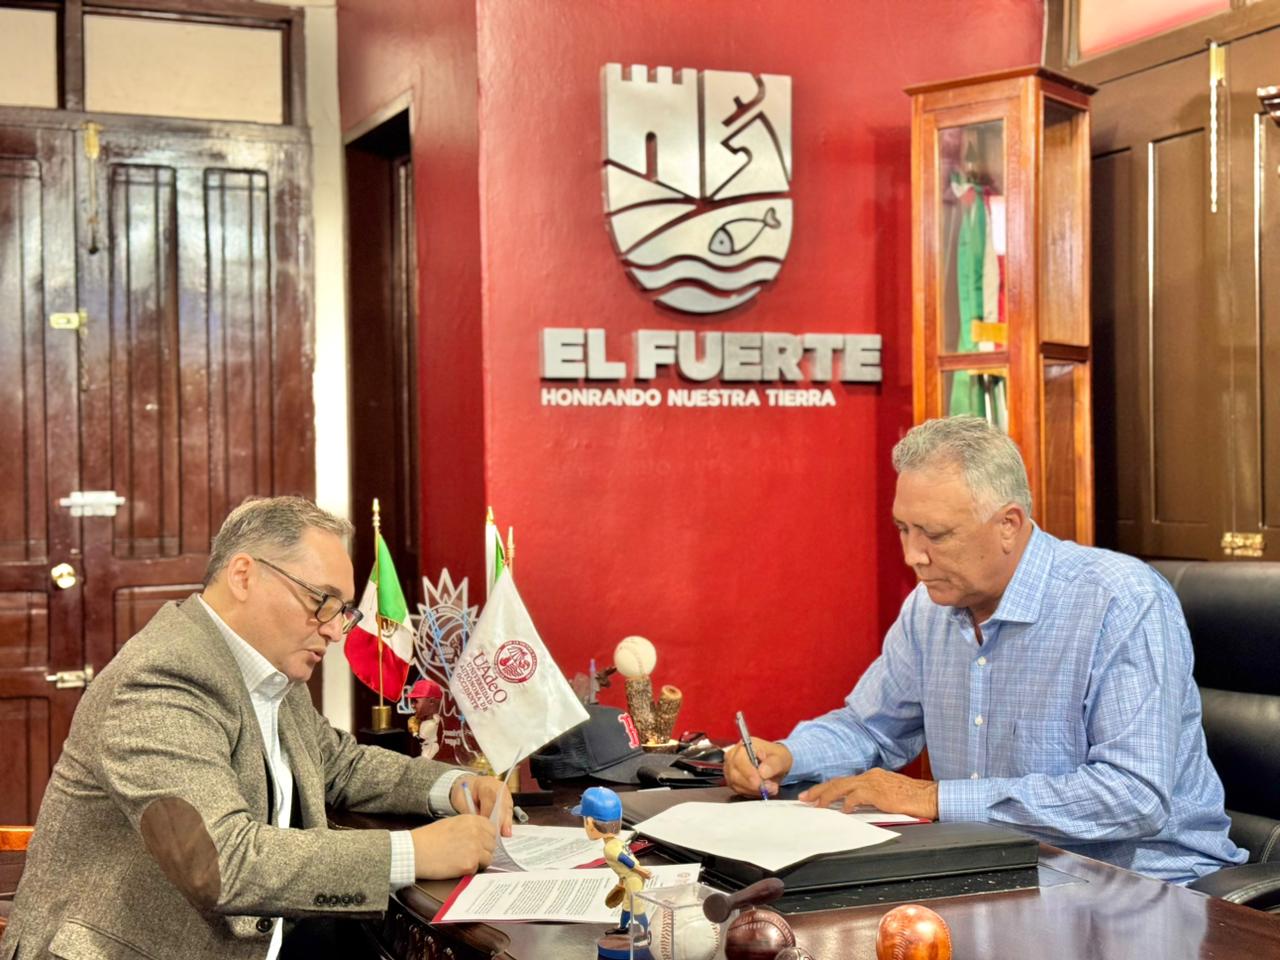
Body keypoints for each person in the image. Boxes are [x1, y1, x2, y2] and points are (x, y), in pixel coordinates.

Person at [725, 416, 1245, 885]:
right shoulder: (929, 608)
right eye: (903, 529)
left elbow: (1133, 796)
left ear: (1008, 525)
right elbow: (871, 727)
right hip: (997, 876)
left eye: (935, 534)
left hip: (1146, 889)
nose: (913, 556)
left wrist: (934, 798)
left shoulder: (1120, 600)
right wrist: (788, 756)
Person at [0, 496, 511, 960]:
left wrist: (455, 785)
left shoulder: (271, 669)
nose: (336, 629)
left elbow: (338, 764)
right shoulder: (161, 677)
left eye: (344, 611)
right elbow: (221, 861)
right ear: (243, 575)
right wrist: (416, 852)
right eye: (322, 600)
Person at [574, 786, 651, 937]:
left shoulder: (610, 848)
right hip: (630, 878)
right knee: (627, 906)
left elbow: (625, 860)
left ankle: (647, 930)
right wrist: (621, 883)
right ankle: (622, 927)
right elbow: (623, 865)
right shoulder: (617, 841)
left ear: (590, 823)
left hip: (634, 878)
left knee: (636, 908)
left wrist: (642, 871)